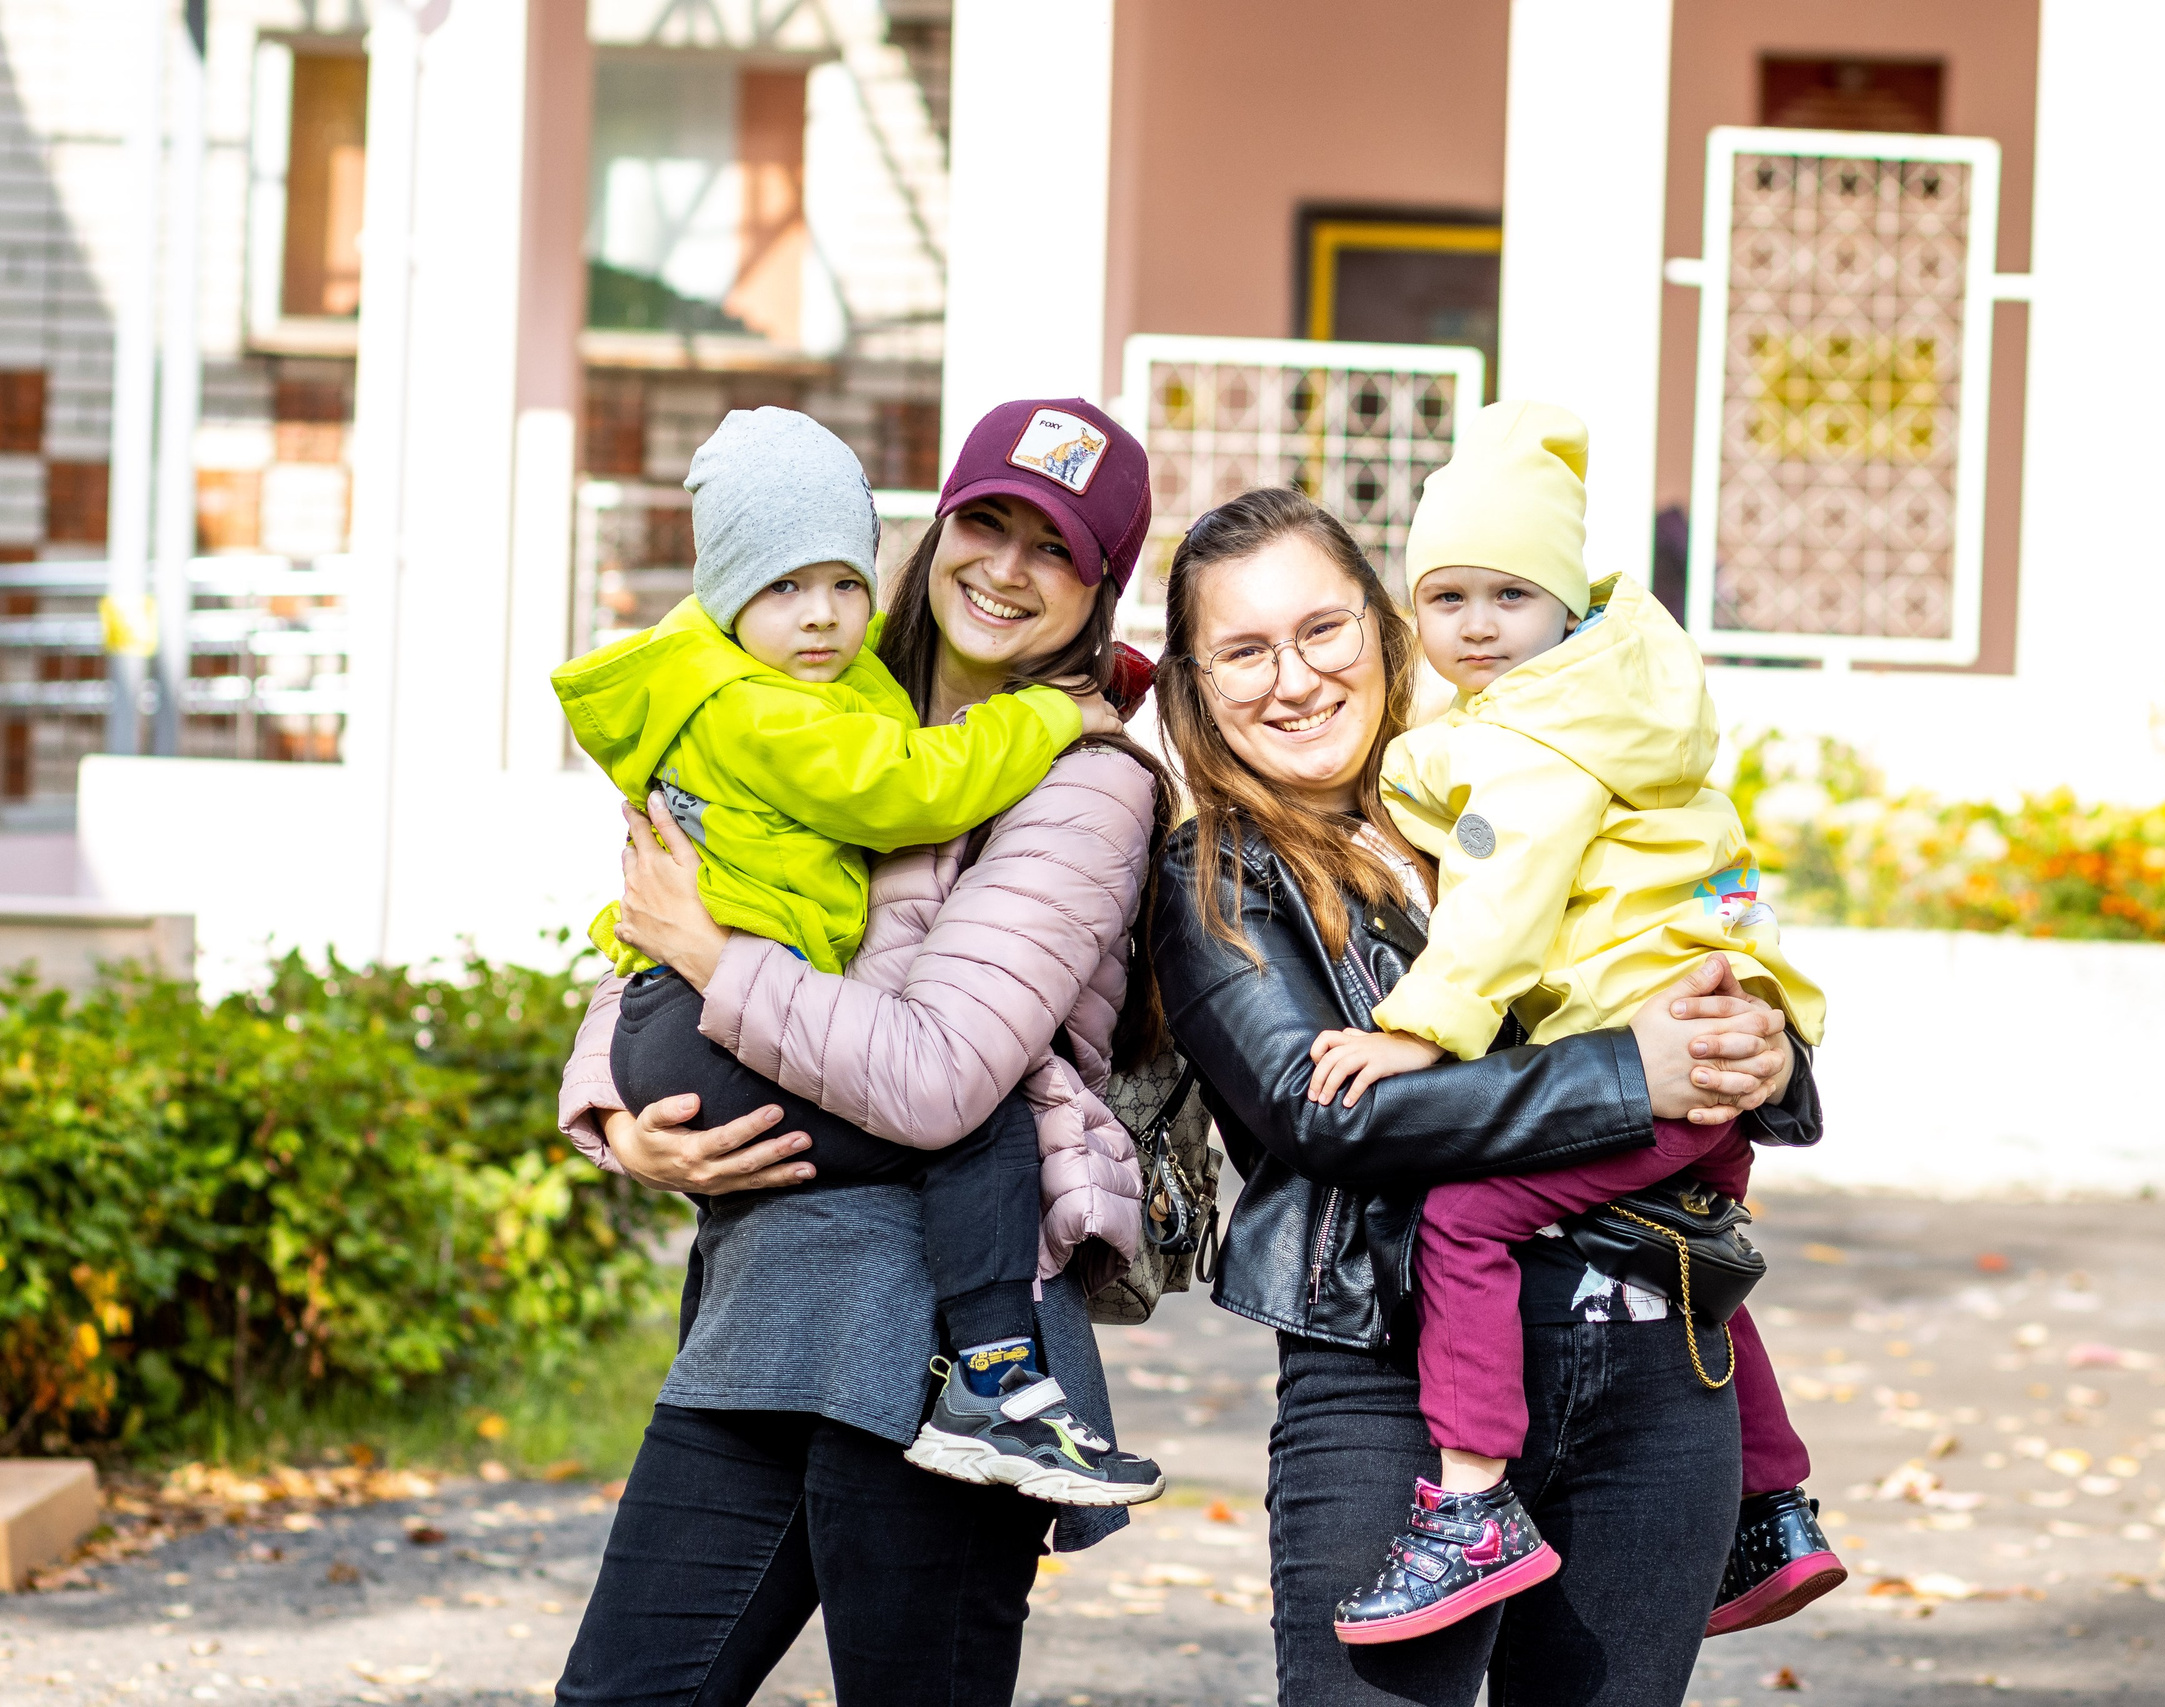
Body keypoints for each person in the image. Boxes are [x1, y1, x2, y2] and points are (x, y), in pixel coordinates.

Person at [1147, 485, 1819, 1706]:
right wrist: (1632, 1073)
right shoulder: (1218, 878)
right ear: (1195, 687)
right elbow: (1327, 1115)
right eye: (1242, 652)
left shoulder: (1520, 782)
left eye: (1322, 631)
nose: (1292, 679)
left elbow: (1676, 942)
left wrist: (1759, 1050)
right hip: (1392, 1387)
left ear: (1384, 628)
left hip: (1656, 1363)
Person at [552, 397, 1167, 1707]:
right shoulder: (804, 703)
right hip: (762, 1304)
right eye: (984, 524)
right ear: (934, 529)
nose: (1005, 568)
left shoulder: (1083, 777)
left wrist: (719, 962)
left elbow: (943, 1072)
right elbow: (656, 930)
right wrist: (617, 1113)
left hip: (938, 1337)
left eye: (1051, 547)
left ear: (1100, 584)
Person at [1295, 401, 1841, 1643]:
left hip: (1665, 1035)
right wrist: (1751, 995)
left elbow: (1505, 900)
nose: (1479, 628)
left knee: (1466, 1216)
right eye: (1448, 601)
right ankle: (1776, 1502)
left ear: (1564, 605)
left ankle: (1470, 1502)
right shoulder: (1620, 706)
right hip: (1712, 1015)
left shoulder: (1532, 742)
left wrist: (1421, 1030)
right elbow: (1710, 866)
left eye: (1509, 597)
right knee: (1692, 1240)